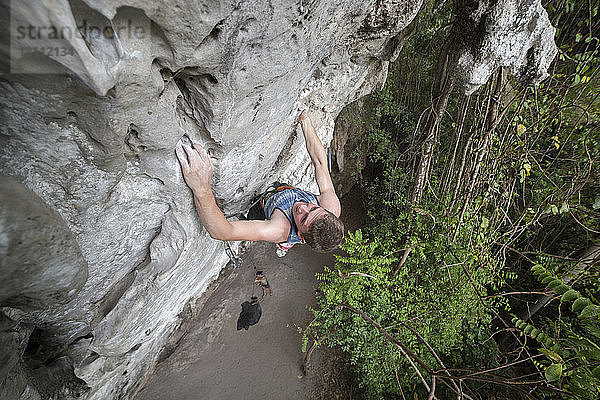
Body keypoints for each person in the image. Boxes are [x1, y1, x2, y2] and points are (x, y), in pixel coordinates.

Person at [176, 110, 344, 253]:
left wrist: (201, 186)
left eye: (303, 218)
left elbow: (222, 232)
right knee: (283, 191)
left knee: (252, 218)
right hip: (282, 191)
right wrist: (305, 120)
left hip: (264, 210)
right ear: (325, 210)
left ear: (301, 235)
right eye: (313, 207)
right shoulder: (331, 206)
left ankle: (284, 245)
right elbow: (320, 162)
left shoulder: (279, 228)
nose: (303, 207)